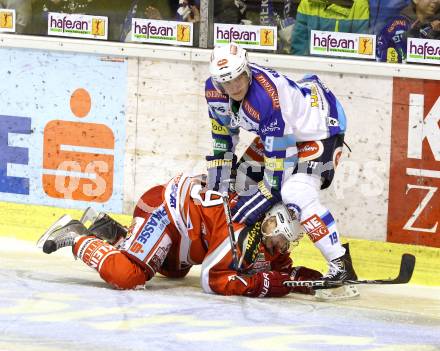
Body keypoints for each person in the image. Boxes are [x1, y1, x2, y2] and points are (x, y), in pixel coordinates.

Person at [204, 43, 358, 285]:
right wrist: (218, 185)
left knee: (294, 192)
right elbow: (223, 137)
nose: (233, 87)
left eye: (238, 78)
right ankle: (254, 256)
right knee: (241, 183)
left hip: (319, 129)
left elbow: (280, 166)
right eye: (226, 82)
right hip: (287, 128)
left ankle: (340, 263)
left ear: (248, 71)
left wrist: (261, 198)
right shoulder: (213, 91)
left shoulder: (265, 98)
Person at [37, 173, 323, 297]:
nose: (280, 246)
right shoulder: (240, 228)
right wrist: (261, 284)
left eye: (286, 241)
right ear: (270, 222)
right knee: (129, 276)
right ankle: (76, 235)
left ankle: (109, 231)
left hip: (184, 237)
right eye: (279, 238)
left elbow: (284, 273)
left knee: (173, 271)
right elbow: (213, 280)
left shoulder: (267, 235)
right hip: (165, 211)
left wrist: (320, 282)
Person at [290, 0, 370, 56]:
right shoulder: (307, 3)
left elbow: (362, 53)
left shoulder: (360, 5)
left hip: (347, 75)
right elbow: (299, 49)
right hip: (312, 73)